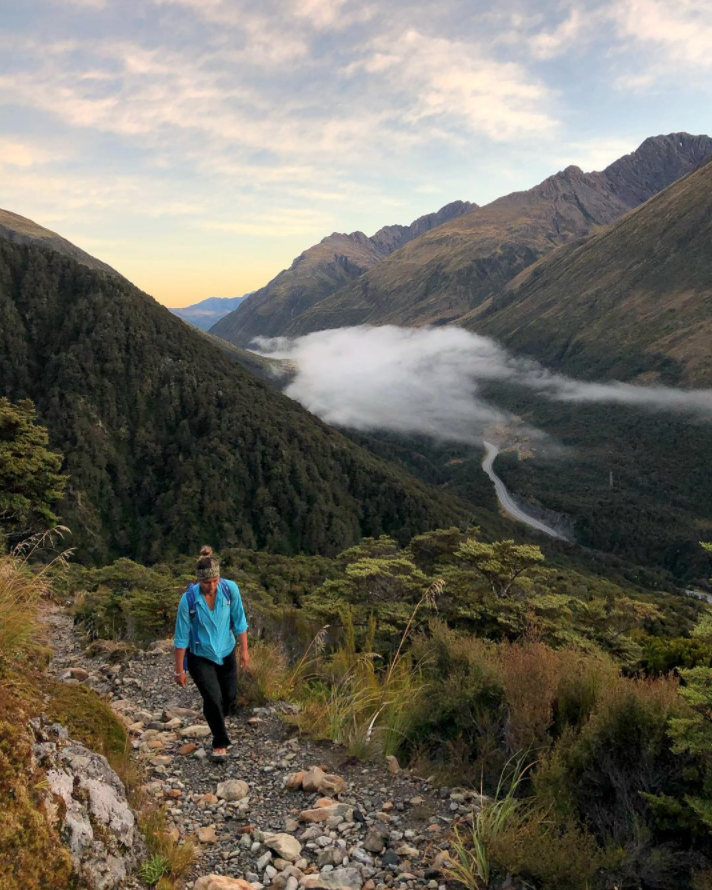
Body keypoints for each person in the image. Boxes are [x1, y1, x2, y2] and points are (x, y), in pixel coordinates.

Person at [173, 546, 249, 762]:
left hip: (226, 651)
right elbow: (180, 639)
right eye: (208, 582)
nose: (212, 586)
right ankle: (219, 742)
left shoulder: (229, 590)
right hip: (200, 656)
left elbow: (240, 621)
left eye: (215, 580)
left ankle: (214, 715)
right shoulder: (188, 601)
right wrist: (179, 671)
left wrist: (244, 651)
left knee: (229, 698)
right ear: (198, 581)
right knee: (213, 698)